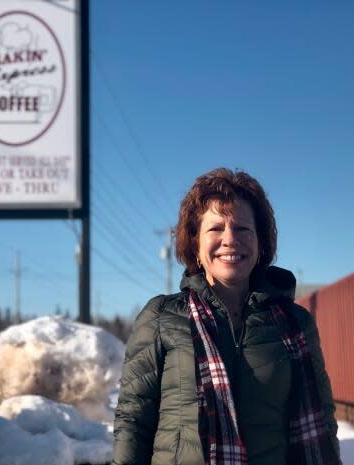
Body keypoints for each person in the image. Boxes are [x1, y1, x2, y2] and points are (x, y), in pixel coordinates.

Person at [112, 168, 341, 465]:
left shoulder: (295, 323)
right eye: (216, 228)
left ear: (261, 245)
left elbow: (321, 419)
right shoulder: (160, 317)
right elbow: (133, 420)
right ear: (195, 244)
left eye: (243, 229)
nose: (230, 239)